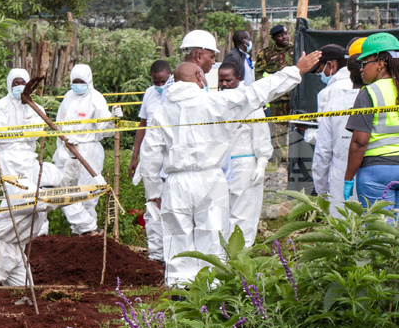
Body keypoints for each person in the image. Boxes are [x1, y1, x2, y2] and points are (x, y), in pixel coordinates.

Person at [141, 50, 322, 289]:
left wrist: (153, 191)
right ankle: (212, 292)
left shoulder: (161, 112)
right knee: (213, 235)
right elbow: (258, 92)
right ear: (198, 75)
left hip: (176, 181)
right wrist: (295, 71)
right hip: (210, 177)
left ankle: (179, 295)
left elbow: (150, 154)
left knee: (177, 239)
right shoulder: (214, 102)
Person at [0, 162, 67, 287]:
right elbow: (45, 202)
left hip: (16, 249)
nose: (49, 193)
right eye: (46, 189)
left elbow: (68, 187)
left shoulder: (41, 200)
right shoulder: (22, 194)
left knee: (24, 289)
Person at [53, 64, 118, 236]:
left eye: (81, 81)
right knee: (67, 191)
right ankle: (87, 227)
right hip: (67, 149)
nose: (78, 85)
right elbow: (59, 123)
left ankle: (83, 234)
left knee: (89, 194)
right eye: (75, 81)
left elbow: (105, 129)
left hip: (88, 151)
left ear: (88, 81)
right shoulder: (68, 97)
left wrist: (113, 120)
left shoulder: (96, 98)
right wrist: (65, 140)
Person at [217, 59, 272, 247]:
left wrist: (262, 164)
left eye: (228, 80)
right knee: (223, 211)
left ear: (239, 79)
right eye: (221, 80)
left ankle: (242, 252)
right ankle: (225, 253)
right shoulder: (216, 104)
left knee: (245, 212)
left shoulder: (251, 104)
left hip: (246, 165)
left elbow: (262, 137)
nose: (224, 84)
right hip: (222, 165)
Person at [345, 33, 399, 211]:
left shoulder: (370, 92)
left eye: (364, 63)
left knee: (380, 234)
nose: (361, 69)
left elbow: (360, 142)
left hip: (377, 173)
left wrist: (348, 178)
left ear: (380, 63)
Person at [129, 60, 171, 262]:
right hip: (152, 159)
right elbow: (143, 126)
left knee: (172, 207)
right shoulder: (149, 94)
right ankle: (156, 255)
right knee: (153, 205)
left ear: (170, 76)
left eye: (163, 81)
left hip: (173, 159)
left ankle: (174, 254)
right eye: (156, 82)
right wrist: (134, 157)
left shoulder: (178, 95)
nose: (160, 86)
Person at [311, 43, 361, 216]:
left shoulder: (329, 94)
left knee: (342, 231)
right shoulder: (379, 92)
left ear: (331, 64)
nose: (321, 75)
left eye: (320, 70)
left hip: (341, 169)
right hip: (371, 169)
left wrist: (322, 189)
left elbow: (323, 148)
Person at [0, 68, 46, 190]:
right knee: (13, 196)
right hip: (5, 159)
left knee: (31, 194)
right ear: (10, 85)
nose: (19, 86)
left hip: (28, 158)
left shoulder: (35, 108)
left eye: (23, 83)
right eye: (16, 83)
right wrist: (24, 135)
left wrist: (28, 107)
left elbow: (35, 134)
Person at [256, 24, 296, 161]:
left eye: (285, 34)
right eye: (280, 36)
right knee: (279, 129)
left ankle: (300, 157)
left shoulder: (296, 49)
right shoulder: (266, 54)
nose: (284, 37)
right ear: (274, 38)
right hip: (277, 98)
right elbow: (258, 75)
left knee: (299, 127)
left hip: (296, 96)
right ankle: (283, 159)